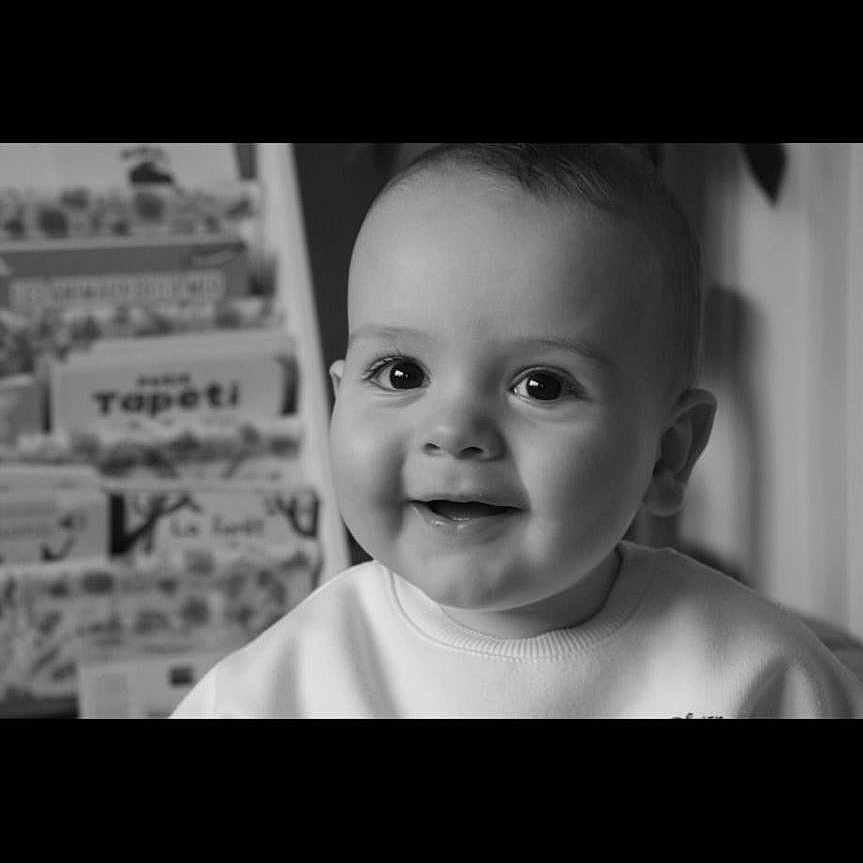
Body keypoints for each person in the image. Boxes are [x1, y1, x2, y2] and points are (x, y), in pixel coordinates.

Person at [173, 143, 863, 718]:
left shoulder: (759, 675)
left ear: (667, 453)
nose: (453, 429)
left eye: (541, 385)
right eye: (400, 372)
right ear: (336, 399)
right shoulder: (277, 690)